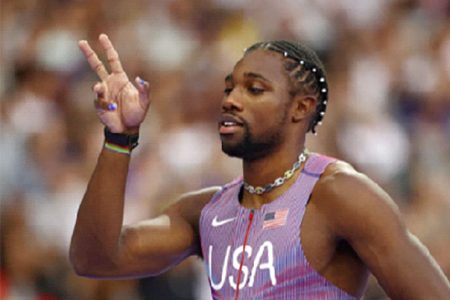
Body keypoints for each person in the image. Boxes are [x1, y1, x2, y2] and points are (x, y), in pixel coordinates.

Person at [70, 34, 450, 300]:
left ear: (301, 107)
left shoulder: (340, 194)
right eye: (229, 88)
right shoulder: (206, 211)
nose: (232, 100)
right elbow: (95, 260)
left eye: (254, 89)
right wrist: (120, 138)